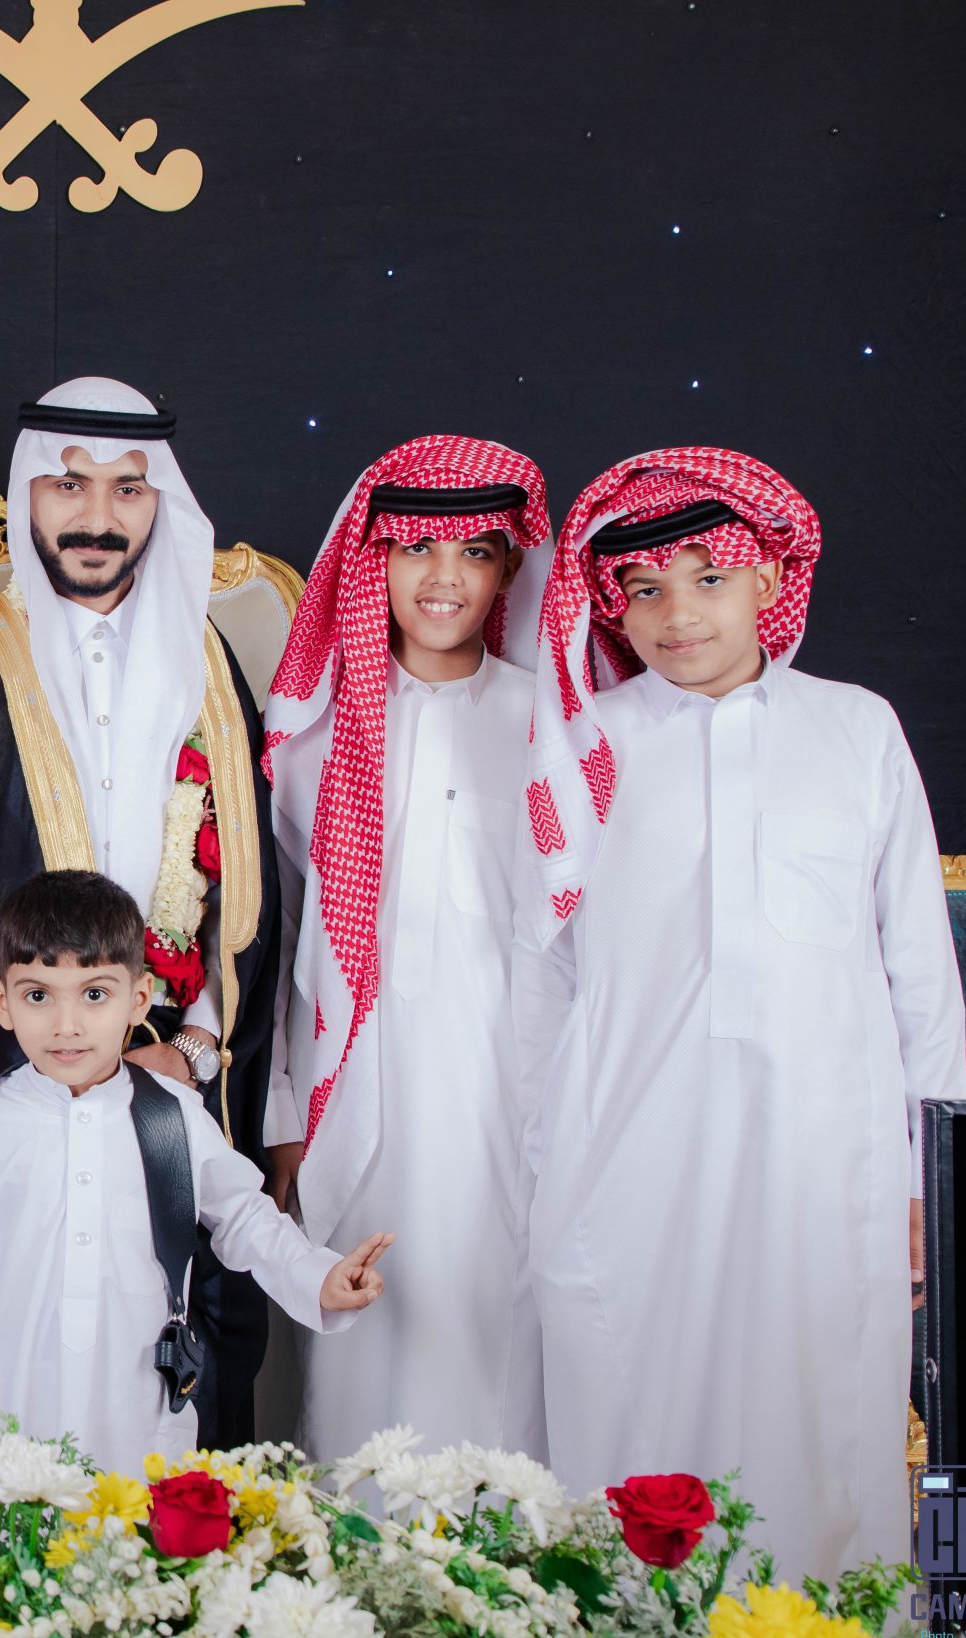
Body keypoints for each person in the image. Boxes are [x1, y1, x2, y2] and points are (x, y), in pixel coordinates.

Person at [516, 447, 966, 1578]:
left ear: (767, 579)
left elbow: (920, 968)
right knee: (632, 1405)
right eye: (645, 589)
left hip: (827, 1148)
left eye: (707, 579)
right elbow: (542, 976)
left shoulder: (857, 728)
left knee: (822, 1416)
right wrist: (538, 1156)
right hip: (630, 1145)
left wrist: (932, 1174)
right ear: (613, 606)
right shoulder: (587, 741)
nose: (677, 615)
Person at [0, 377, 279, 1466]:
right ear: (28, 494)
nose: (97, 515)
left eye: (128, 488)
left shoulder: (205, 667)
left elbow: (250, 900)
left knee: (158, 1359)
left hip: (163, 1086)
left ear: (159, 502)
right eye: (69, 484)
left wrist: (192, 1051)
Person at [0, 871, 389, 1474]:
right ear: (3, 1002)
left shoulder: (173, 1116)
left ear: (138, 999)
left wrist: (317, 1278)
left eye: (94, 994)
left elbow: (247, 1219)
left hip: (138, 1427)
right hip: (1, 1424)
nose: (67, 1025)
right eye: (38, 996)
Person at [259, 436, 553, 1461]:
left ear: (508, 570)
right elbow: (278, 942)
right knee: (357, 1340)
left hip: (505, 1093)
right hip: (351, 1094)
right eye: (416, 547)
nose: (443, 577)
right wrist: (284, 1114)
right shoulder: (312, 736)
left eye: (474, 552)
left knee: (495, 1326)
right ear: (371, 562)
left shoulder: (550, 728)